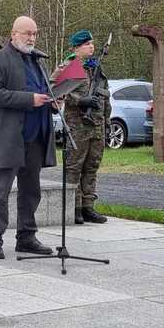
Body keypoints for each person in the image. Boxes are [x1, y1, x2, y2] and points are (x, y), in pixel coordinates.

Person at [0, 16, 57, 260]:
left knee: (31, 190)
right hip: (10, 137)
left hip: (36, 136)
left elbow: (43, 91)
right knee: (0, 191)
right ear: (13, 33)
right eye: (27, 33)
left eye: (35, 33)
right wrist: (30, 100)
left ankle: (26, 237)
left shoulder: (38, 61)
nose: (32, 38)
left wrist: (53, 101)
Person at [52, 30, 111, 225]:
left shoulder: (96, 68)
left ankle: (88, 206)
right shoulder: (68, 67)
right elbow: (55, 93)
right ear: (76, 48)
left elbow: (105, 95)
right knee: (74, 167)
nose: (91, 47)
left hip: (97, 125)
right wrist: (80, 100)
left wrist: (107, 122)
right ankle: (74, 207)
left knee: (92, 166)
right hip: (77, 125)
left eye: (92, 43)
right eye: (86, 44)